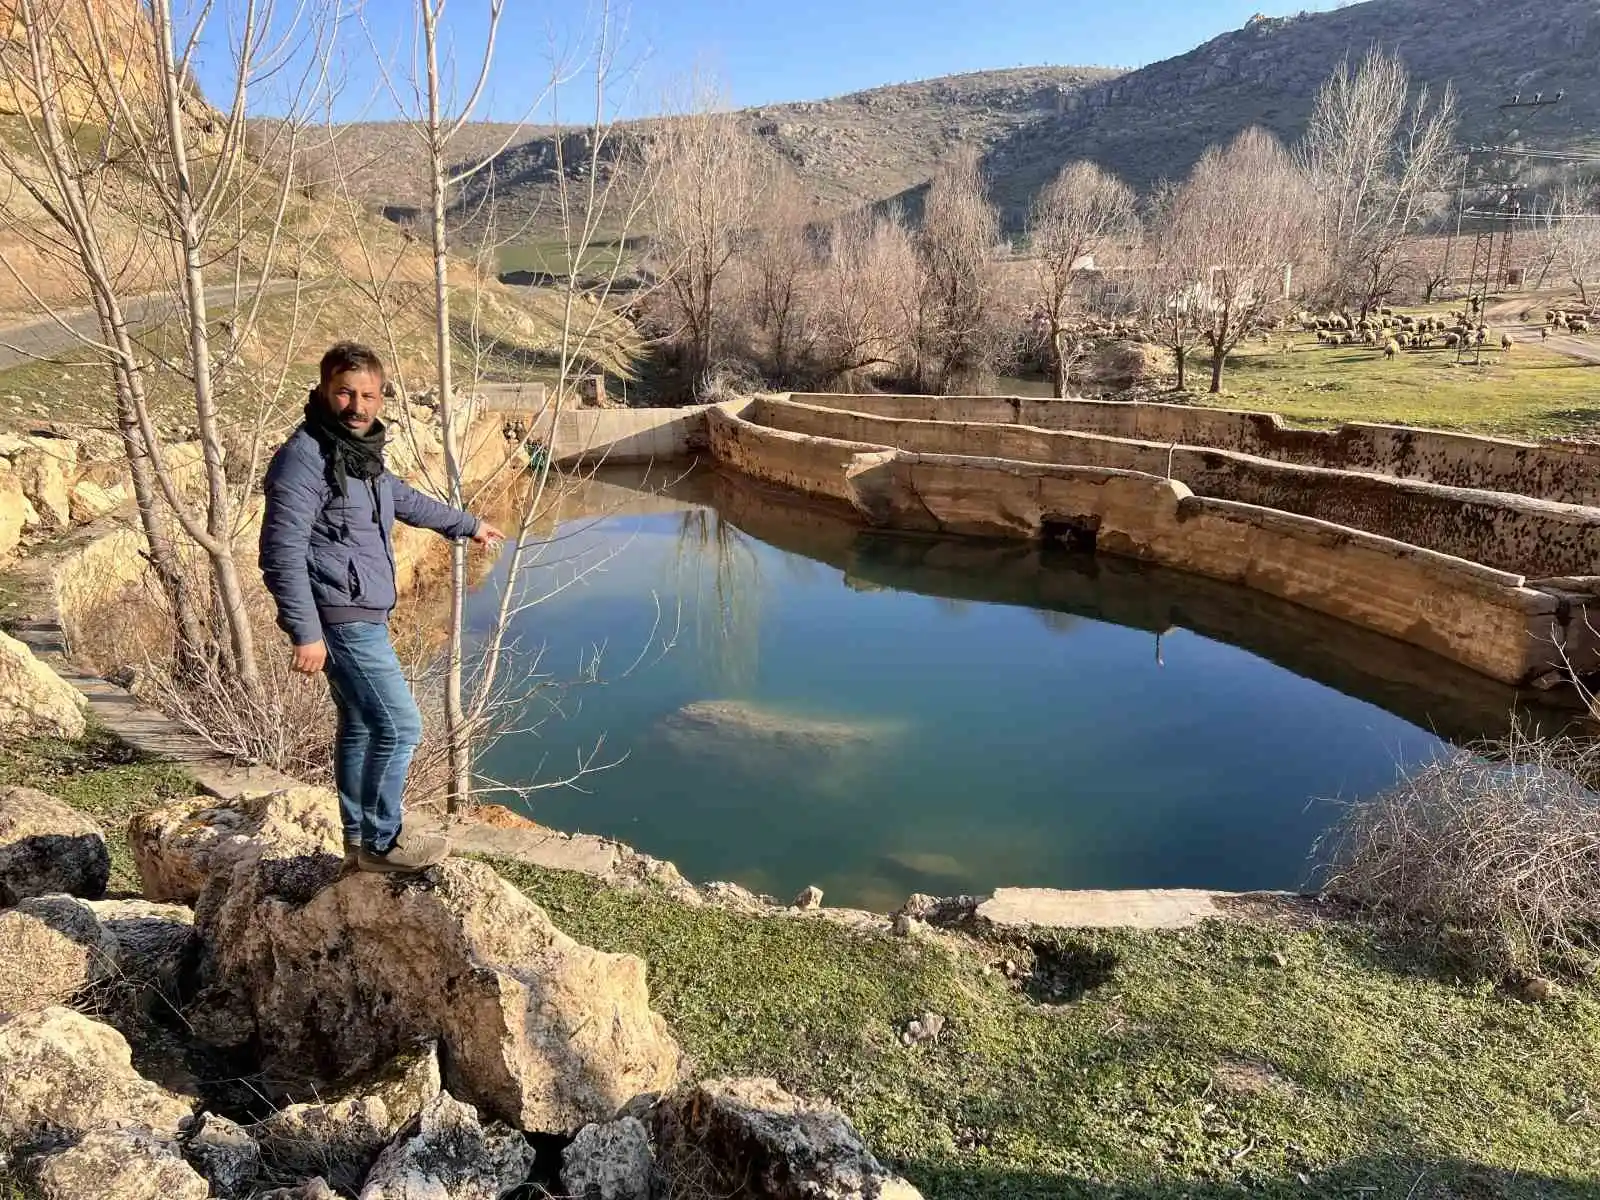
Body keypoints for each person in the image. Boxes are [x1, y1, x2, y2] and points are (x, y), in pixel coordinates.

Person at [259, 341, 503, 873]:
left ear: (381, 396)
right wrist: (304, 633)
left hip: (361, 608)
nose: (357, 406)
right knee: (401, 726)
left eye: (368, 395)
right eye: (345, 393)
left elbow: (404, 499)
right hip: (340, 615)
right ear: (325, 389)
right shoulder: (305, 458)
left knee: (361, 726)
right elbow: (280, 555)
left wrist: (467, 525)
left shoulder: (359, 451)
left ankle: (357, 835)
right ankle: (382, 842)